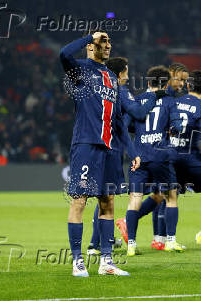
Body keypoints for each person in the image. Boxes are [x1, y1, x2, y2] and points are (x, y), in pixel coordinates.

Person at [60, 30, 141, 277]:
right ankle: (77, 261)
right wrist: (89, 36)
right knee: (80, 201)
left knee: (108, 203)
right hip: (86, 144)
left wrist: (133, 150)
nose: (107, 45)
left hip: (110, 149)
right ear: (90, 46)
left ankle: (106, 261)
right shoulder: (81, 69)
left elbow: (118, 121)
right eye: (102, 41)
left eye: (109, 42)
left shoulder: (111, 78)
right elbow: (63, 53)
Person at [86, 57, 162, 255]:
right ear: (120, 74)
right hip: (113, 147)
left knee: (104, 194)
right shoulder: (121, 90)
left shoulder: (102, 89)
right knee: (106, 195)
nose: (128, 77)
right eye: (126, 72)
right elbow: (137, 111)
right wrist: (154, 96)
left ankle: (100, 242)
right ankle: (98, 243)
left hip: (98, 142)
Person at [121, 65, 186, 256]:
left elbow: (126, 126)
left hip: (139, 157)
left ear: (148, 83)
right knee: (171, 196)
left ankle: (131, 245)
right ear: (166, 84)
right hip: (160, 155)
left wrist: (142, 134)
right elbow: (176, 125)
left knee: (134, 200)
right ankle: (170, 241)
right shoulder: (169, 101)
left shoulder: (138, 100)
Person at [168, 70, 201, 256]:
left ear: (188, 85)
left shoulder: (174, 102)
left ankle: (169, 239)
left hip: (169, 156)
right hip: (190, 158)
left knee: (170, 196)